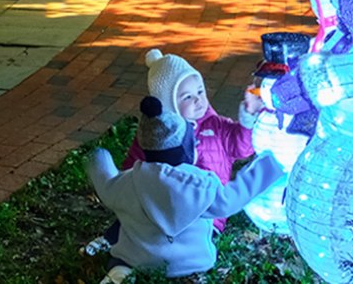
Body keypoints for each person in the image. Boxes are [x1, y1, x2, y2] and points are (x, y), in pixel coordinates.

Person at [82, 49, 262, 258]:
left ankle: (171, 258)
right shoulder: (156, 137)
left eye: (200, 91)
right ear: (168, 103)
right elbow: (132, 167)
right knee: (140, 221)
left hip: (206, 209)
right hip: (164, 205)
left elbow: (242, 148)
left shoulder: (217, 126)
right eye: (187, 97)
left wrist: (248, 117)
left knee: (190, 239)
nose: (198, 100)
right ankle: (114, 238)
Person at [87, 96, 284, 284]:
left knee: (121, 261)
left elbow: (106, 186)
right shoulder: (199, 186)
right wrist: (268, 166)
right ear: (186, 148)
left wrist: (99, 159)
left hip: (139, 259)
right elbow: (231, 200)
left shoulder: (127, 182)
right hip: (191, 263)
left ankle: (119, 274)